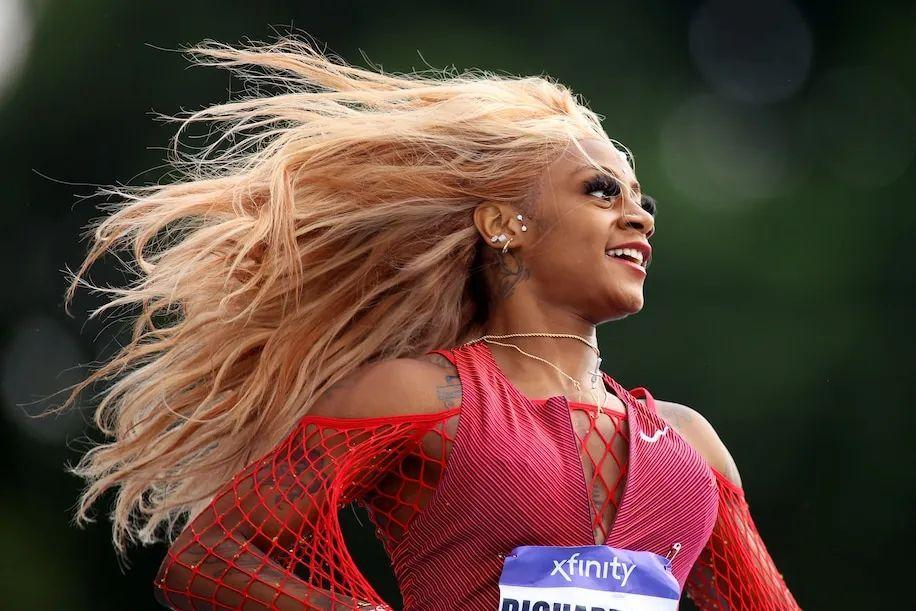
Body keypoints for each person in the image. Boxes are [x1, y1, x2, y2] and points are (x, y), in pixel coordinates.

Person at [60, 36, 800, 610]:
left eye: (643, 202)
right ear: (504, 223)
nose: (639, 216)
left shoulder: (691, 447)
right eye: (601, 191)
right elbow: (212, 556)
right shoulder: (422, 398)